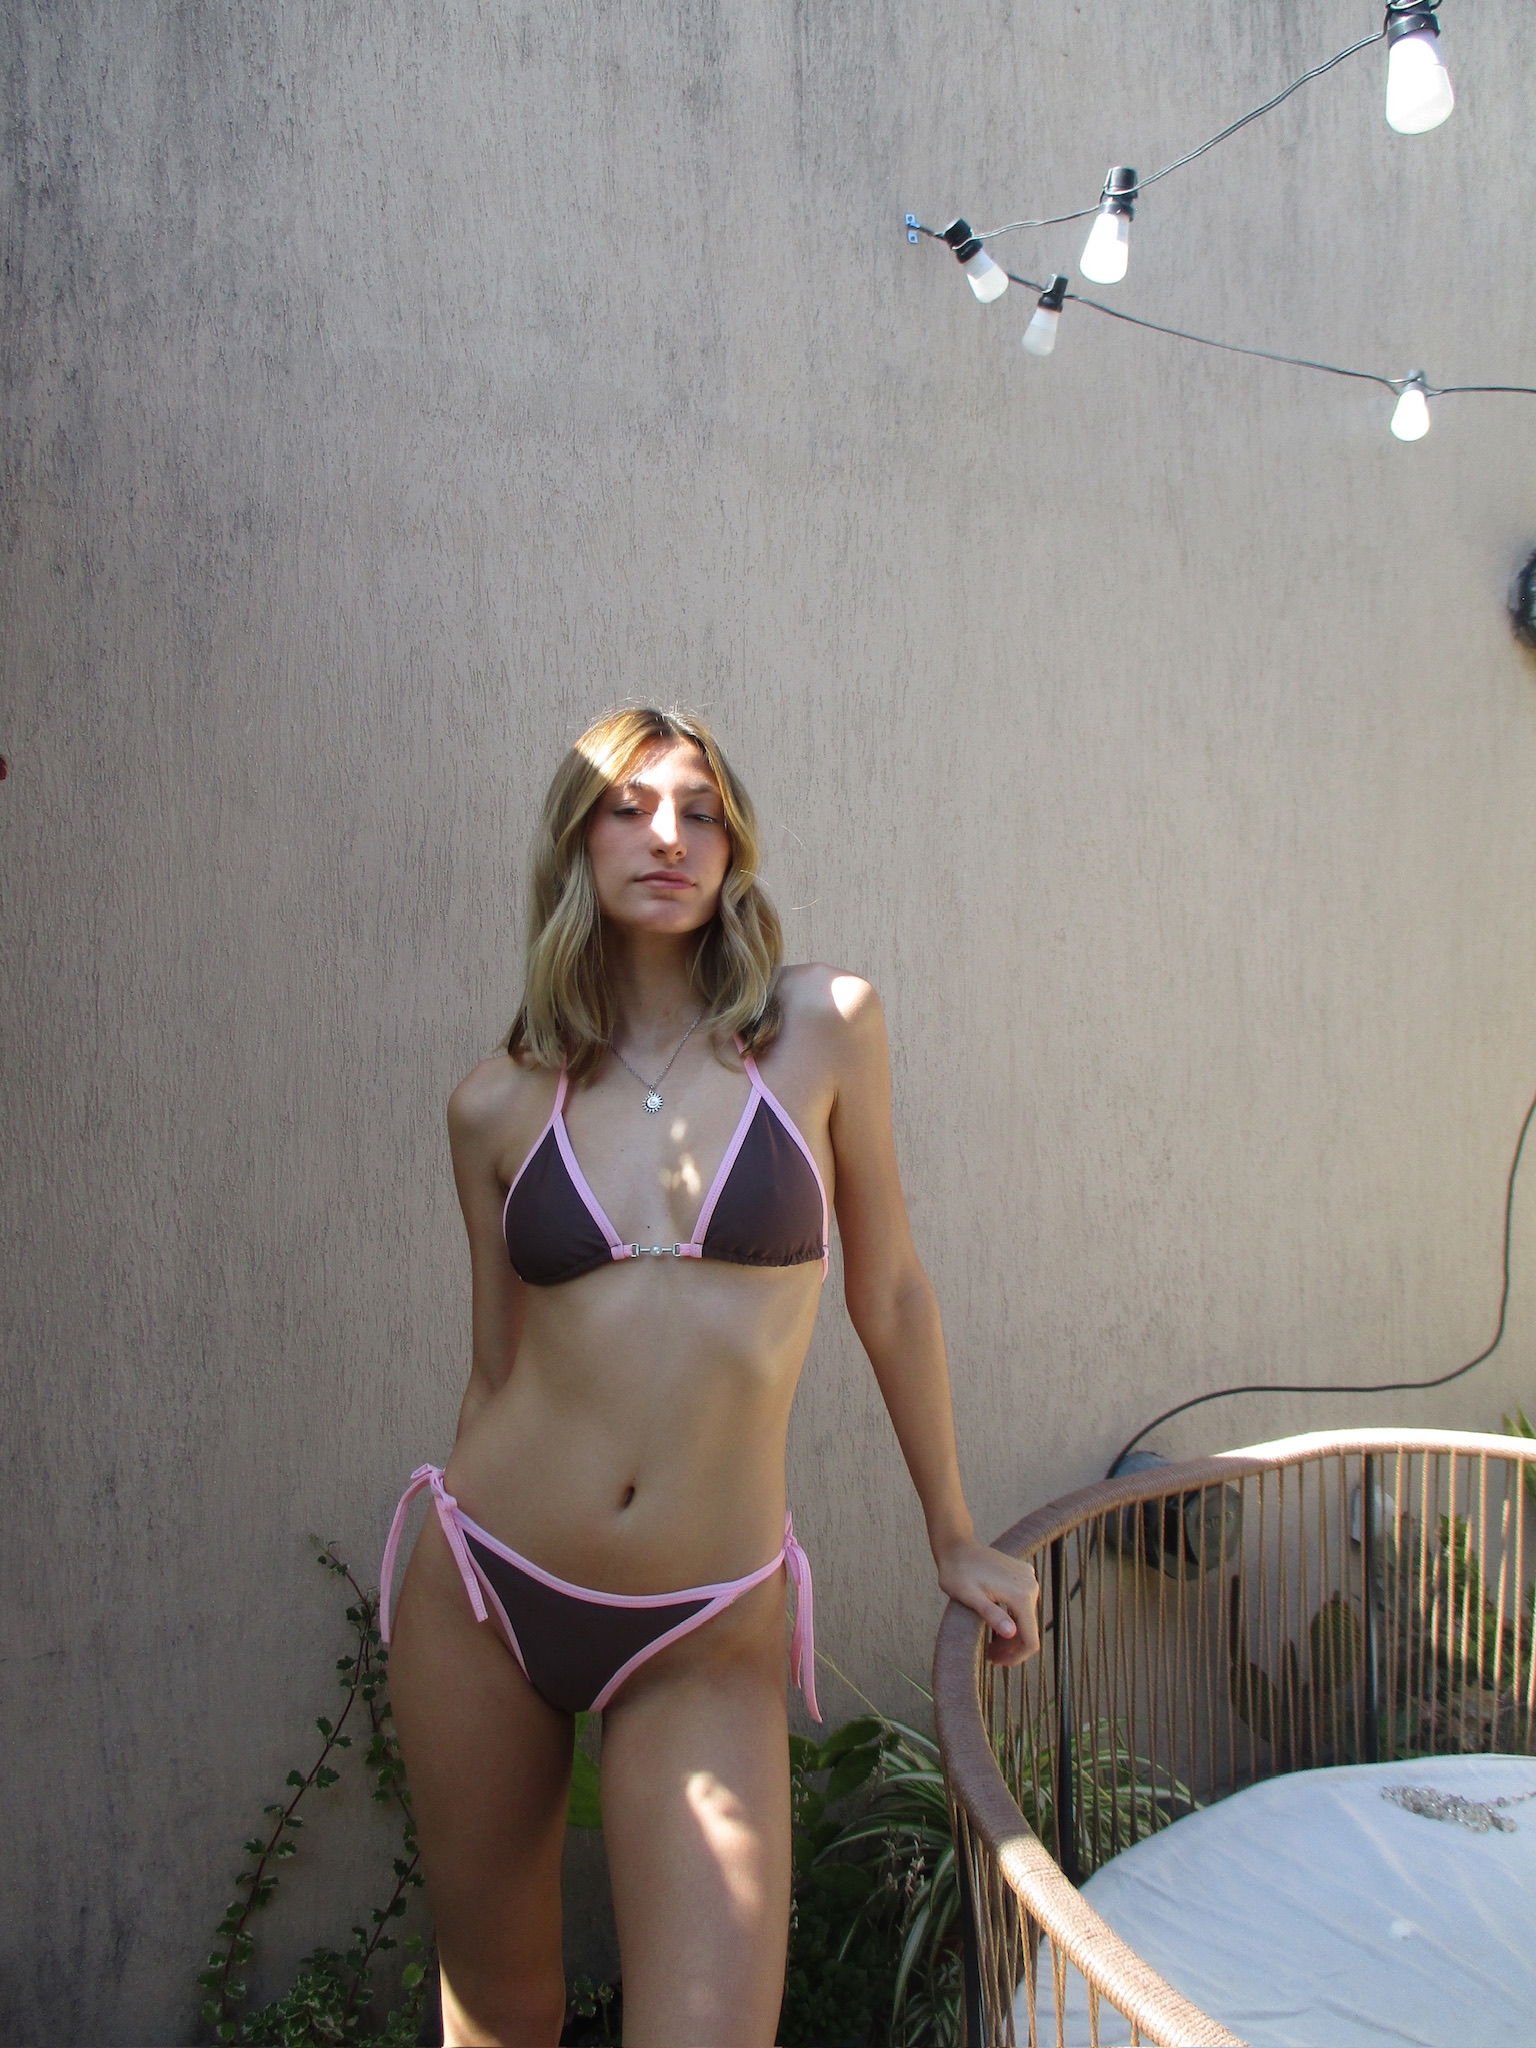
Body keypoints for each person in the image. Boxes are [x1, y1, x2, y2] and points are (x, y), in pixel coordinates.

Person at [381, 706, 1040, 2048]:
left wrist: (955, 1531)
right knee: (500, 2013)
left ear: (735, 845)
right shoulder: (497, 1103)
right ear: (577, 845)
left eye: (699, 809)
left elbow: (890, 1292)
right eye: (627, 809)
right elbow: (496, 1372)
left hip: (704, 1618)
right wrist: (462, 1552)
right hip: (487, 1586)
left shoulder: (824, 1028)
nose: (667, 835)